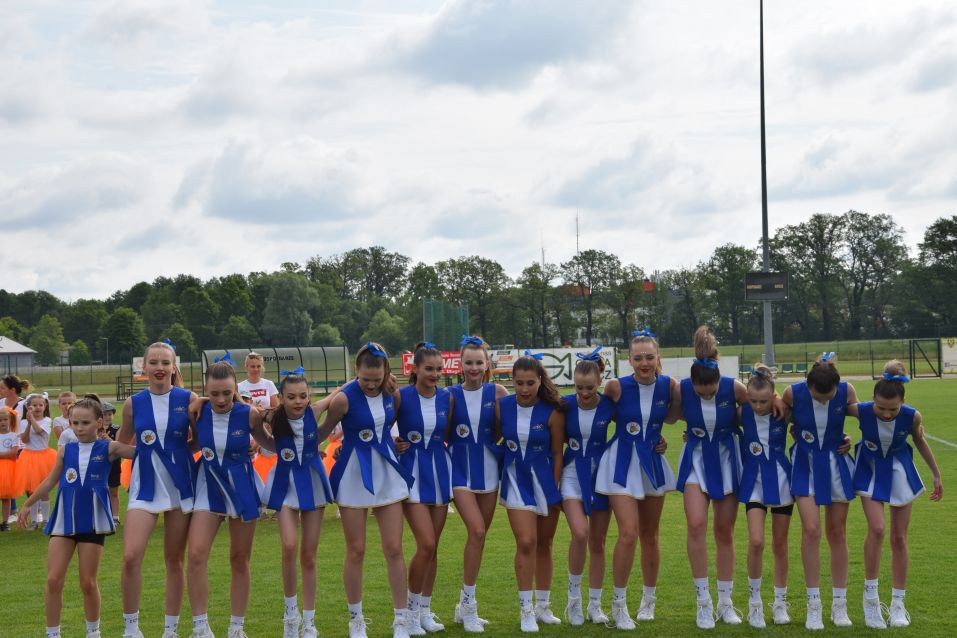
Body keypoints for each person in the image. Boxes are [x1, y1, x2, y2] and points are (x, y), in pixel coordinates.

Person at [19, 396, 135, 638]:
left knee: (87, 582)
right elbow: (50, 481)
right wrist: (28, 504)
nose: (79, 428)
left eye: (85, 423)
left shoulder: (109, 448)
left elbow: (143, 452)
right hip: (64, 520)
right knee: (53, 580)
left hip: (92, 521)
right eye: (75, 423)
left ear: (99, 422)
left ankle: (93, 632)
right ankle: (53, 634)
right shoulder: (65, 450)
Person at [319, 342, 414, 638]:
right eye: (365, 379)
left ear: (386, 372)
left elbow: (387, 428)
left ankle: (401, 620)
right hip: (353, 474)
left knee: (394, 548)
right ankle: (356, 620)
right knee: (356, 550)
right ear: (356, 372)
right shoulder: (342, 399)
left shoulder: (392, 393)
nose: (372, 385)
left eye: (377, 379)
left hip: (387, 473)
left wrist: (395, 443)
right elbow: (322, 431)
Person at [594, 330, 677, 628]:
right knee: (628, 533)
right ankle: (619, 606)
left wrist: (665, 440)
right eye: (638, 358)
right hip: (620, 463)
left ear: (658, 358)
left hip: (651, 463)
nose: (644, 363)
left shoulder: (670, 386)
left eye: (649, 357)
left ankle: (648, 601)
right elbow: (591, 411)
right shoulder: (616, 386)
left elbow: (676, 417)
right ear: (629, 359)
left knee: (650, 534)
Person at [852, 361, 943, 628]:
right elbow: (828, 410)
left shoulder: (912, 417)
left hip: (900, 471)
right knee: (877, 529)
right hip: (868, 469)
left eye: (893, 409)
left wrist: (936, 474)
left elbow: (920, 441)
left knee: (899, 537)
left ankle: (898, 604)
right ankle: (871, 600)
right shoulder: (860, 410)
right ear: (873, 400)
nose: (887, 413)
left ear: (902, 402)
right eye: (881, 407)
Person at [187, 361, 275, 638]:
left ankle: (236, 628)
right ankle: (201, 627)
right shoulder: (197, 412)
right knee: (196, 555)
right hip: (208, 484)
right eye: (213, 394)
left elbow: (268, 443)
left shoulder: (249, 414)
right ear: (205, 391)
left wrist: (299, 444)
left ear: (235, 388)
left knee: (239, 558)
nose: (221, 399)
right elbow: (193, 444)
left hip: (242, 488)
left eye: (226, 392)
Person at [117, 341, 198, 638]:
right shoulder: (133, 403)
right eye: (154, 362)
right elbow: (122, 444)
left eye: (165, 362)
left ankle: (170, 630)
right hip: (145, 486)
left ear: (174, 367)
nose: (160, 368)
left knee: (174, 560)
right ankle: (131, 629)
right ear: (144, 366)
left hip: (180, 484)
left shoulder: (189, 398)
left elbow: (200, 440)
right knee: (130, 556)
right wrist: (144, 454)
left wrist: (175, 454)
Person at [675, 326, 750, 629]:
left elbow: (762, 410)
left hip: (727, 460)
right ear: (692, 384)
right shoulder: (681, 389)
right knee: (696, 525)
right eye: (700, 392)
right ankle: (703, 603)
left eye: (712, 391)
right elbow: (666, 416)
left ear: (719, 380)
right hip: (695, 459)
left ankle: (726, 603)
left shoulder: (735, 388)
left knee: (724, 531)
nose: (706, 395)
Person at [782, 352, 858, 630]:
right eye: (818, 397)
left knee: (837, 532)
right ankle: (814, 605)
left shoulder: (847, 391)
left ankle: (840, 604)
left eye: (829, 397)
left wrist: (849, 438)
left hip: (837, 464)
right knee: (811, 529)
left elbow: (869, 417)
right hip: (805, 464)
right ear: (808, 385)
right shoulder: (792, 393)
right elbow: (771, 419)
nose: (824, 401)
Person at [260, 368, 335, 638]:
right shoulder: (273, 416)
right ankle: (290, 617)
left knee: (309, 555)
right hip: (284, 484)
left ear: (309, 395)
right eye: (291, 397)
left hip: (313, 484)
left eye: (303, 396)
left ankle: (309, 622)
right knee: (289, 545)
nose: (298, 401)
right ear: (281, 398)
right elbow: (250, 421)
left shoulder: (314, 411)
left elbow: (338, 394)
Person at [497, 351, 565, 633]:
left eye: (530, 383)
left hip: (545, 482)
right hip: (515, 480)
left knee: (545, 544)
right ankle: (526, 610)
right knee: (526, 542)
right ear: (512, 381)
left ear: (540, 381)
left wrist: (554, 487)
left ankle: (543, 607)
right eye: (519, 383)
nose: (524, 389)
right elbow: (492, 438)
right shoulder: (502, 406)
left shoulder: (553, 410)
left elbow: (558, 453)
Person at [448, 335, 507, 633]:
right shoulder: (449, 395)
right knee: (477, 531)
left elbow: (509, 427)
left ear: (487, 365)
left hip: (489, 471)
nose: (473, 368)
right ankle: (470, 607)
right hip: (459, 472)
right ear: (460, 364)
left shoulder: (498, 392)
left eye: (478, 363)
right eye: (468, 362)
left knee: (479, 539)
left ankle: (463, 604)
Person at [395, 342, 454, 634]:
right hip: (412, 472)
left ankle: (425, 612)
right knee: (426, 544)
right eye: (429, 369)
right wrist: (393, 442)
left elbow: (450, 432)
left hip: (440, 472)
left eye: (438, 369)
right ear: (414, 369)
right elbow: (380, 426)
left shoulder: (446, 397)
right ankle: (409, 613)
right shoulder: (401, 395)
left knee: (434, 548)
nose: (435, 374)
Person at [560, 349, 615, 627]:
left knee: (597, 542)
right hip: (571, 475)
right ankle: (573, 601)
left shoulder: (609, 405)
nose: (583, 393)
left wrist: (659, 441)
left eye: (589, 388)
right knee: (580, 533)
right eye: (579, 387)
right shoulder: (565, 404)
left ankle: (595, 605)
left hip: (600, 477)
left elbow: (634, 426)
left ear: (600, 381)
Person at [738, 364, 793, 628]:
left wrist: (844, 438)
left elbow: (817, 425)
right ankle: (755, 603)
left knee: (780, 544)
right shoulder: (741, 413)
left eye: (763, 401)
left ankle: (780, 603)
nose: (758, 406)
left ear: (773, 396)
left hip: (782, 482)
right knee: (757, 541)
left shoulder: (784, 412)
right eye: (753, 401)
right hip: (753, 482)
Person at [18, 392, 57, 530]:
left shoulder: (47, 420)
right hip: (28, 457)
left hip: (44, 457)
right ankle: (34, 520)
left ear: (45, 406)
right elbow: (25, 440)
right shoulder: (23, 422)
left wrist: (32, 420)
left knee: (43, 490)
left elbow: (39, 431)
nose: (38, 407)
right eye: (34, 405)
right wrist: (28, 423)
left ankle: (46, 519)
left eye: (41, 405)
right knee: (32, 491)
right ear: (28, 407)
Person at [0, 374, 29, 523]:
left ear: (12, 390)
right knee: (6, 479)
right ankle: (13, 511)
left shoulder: (24, 404)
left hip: (22, 446)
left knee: (26, 480)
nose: (0, 390)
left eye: (2, 388)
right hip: (4, 444)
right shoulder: (0, 403)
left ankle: (35, 510)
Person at [0, 406, 20, 531]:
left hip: (8, 469)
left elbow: (13, 452)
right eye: (0, 420)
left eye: (5, 419)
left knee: (6, 498)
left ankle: (5, 522)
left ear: (10, 420)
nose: (2, 422)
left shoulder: (14, 436)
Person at [101, 403, 122, 526]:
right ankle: (101, 515)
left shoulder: (116, 428)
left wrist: (108, 438)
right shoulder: (94, 428)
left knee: (113, 491)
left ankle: (115, 517)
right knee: (99, 490)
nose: (107, 417)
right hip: (99, 463)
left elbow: (119, 445)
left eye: (110, 414)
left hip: (113, 463)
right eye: (104, 414)